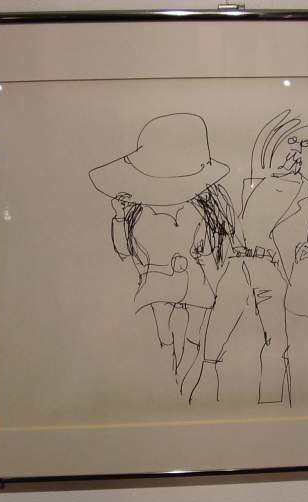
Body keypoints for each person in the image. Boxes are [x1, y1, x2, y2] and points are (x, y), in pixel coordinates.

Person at [187, 109, 308, 406]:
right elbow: (239, 223)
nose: (297, 151)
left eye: (306, 145)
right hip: (238, 265)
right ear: (273, 142)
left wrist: (305, 251)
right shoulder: (250, 183)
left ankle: (273, 406)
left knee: (277, 343)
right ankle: (202, 404)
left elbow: (303, 233)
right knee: (214, 340)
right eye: (291, 140)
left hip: (271, 269)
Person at [89, 113, 235, 397]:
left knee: (194, 337)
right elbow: (124, 250)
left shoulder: (199, 209)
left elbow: (208, 248)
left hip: (194, 278)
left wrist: (206, 262)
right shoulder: (137, 212)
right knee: (164, 338)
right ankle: (169, 385)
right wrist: (119, 217)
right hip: (156, 279)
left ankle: (185, 386)